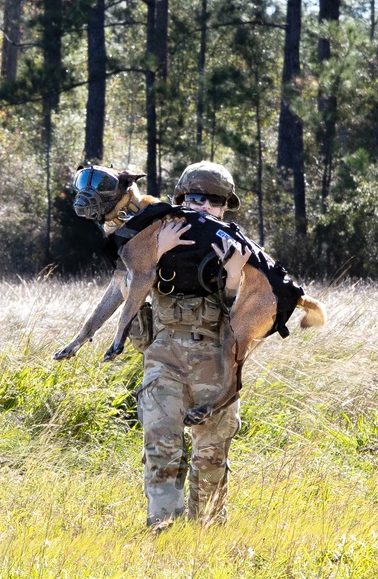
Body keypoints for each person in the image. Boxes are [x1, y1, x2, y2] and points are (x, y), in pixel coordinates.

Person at [139, 160, 252, 530]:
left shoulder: (238, 249)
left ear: (224, 207)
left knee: (211, 455)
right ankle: (161, 528)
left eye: (215, 201)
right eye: (196, 197)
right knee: (162, 449)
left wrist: (234, 277)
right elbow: (129, 289)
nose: (205, 206)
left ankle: (206, 532)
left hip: (215, 364)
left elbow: (248, 320)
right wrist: (156, 252)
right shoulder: (154, 238)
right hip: (165, 358)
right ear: (181, 198)